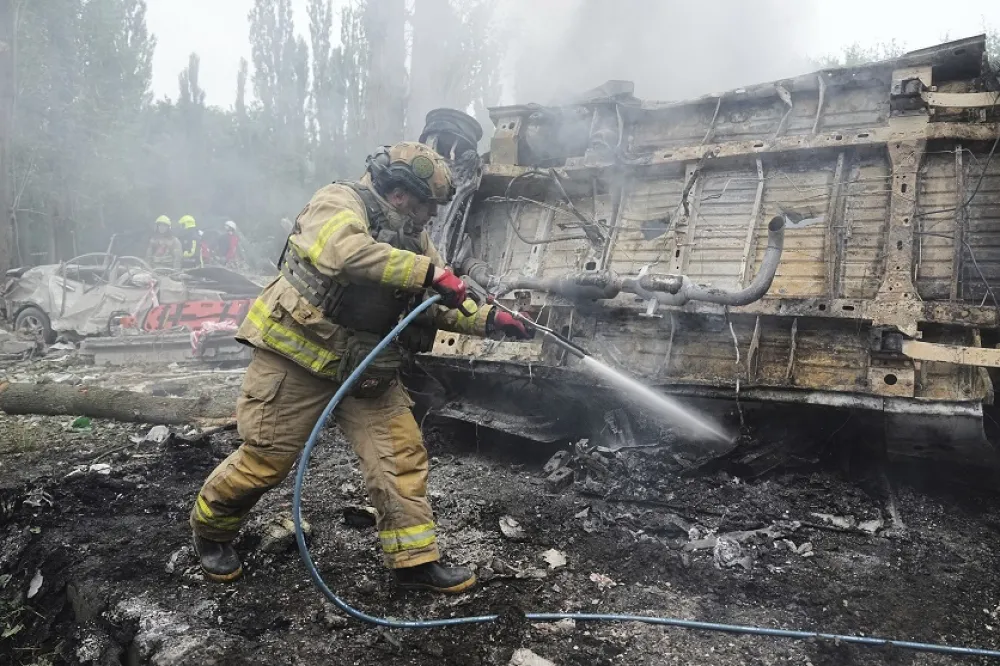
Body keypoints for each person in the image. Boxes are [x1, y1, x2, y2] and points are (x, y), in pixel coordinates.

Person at [189, 142, 531, 592]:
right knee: (266, 460)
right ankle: (211, 532)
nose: (431, 215)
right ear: (401, 192)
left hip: (367, 366)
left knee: (399, 457)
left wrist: (491, 320)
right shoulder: (338, 202)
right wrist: (430, 274)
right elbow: (345, 252)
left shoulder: (414, 237)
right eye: (428, 204)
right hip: (297, 354)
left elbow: (431, 303)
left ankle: (413, 560)